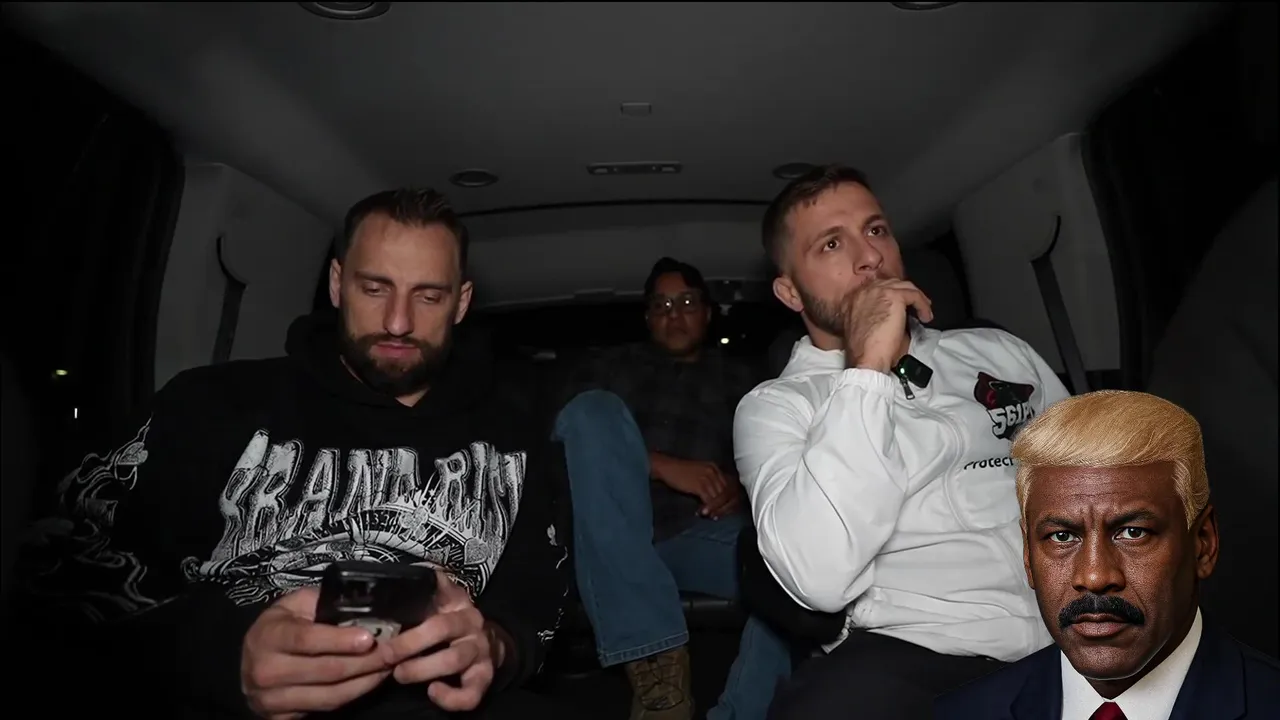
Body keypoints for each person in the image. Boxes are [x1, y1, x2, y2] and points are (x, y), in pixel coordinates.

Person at [13, 188, 571, 719]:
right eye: (374, 289)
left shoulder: (512, 439)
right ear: (337, 283)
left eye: (428, 296)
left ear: (461, 303)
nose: (398, 322)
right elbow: (63, 576)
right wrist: (224, 655)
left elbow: (537, 610)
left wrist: (495, 648)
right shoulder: (210, 404)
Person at [733, 164, 1072, 720]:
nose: (869, 255)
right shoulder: (778, 406)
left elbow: (1095, 473)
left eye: (876, 230)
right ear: (790, 292)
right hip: (919, 653)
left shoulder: (998, 350)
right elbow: (819, 579)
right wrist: (867, 369)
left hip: (1074, 626)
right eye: (831, 244)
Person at [935, 390, 1280, 720]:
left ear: (1203, 543)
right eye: (1062, 536)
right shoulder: (958, 714)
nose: (1095, 576)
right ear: (1027, 554)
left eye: (1133, 533)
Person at [553, 257, 792, 720]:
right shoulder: (609, 367)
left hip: (697, 529)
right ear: (647, 317)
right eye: (661, 306)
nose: (674, 315)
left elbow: (776, 456)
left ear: (707, 313)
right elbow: (560, 440)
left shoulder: (743, 380)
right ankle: (658, 678)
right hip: (613, 537)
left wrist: (741, 489)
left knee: (793, 576)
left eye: (686, 303)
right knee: (590, 411)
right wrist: (661, 465)